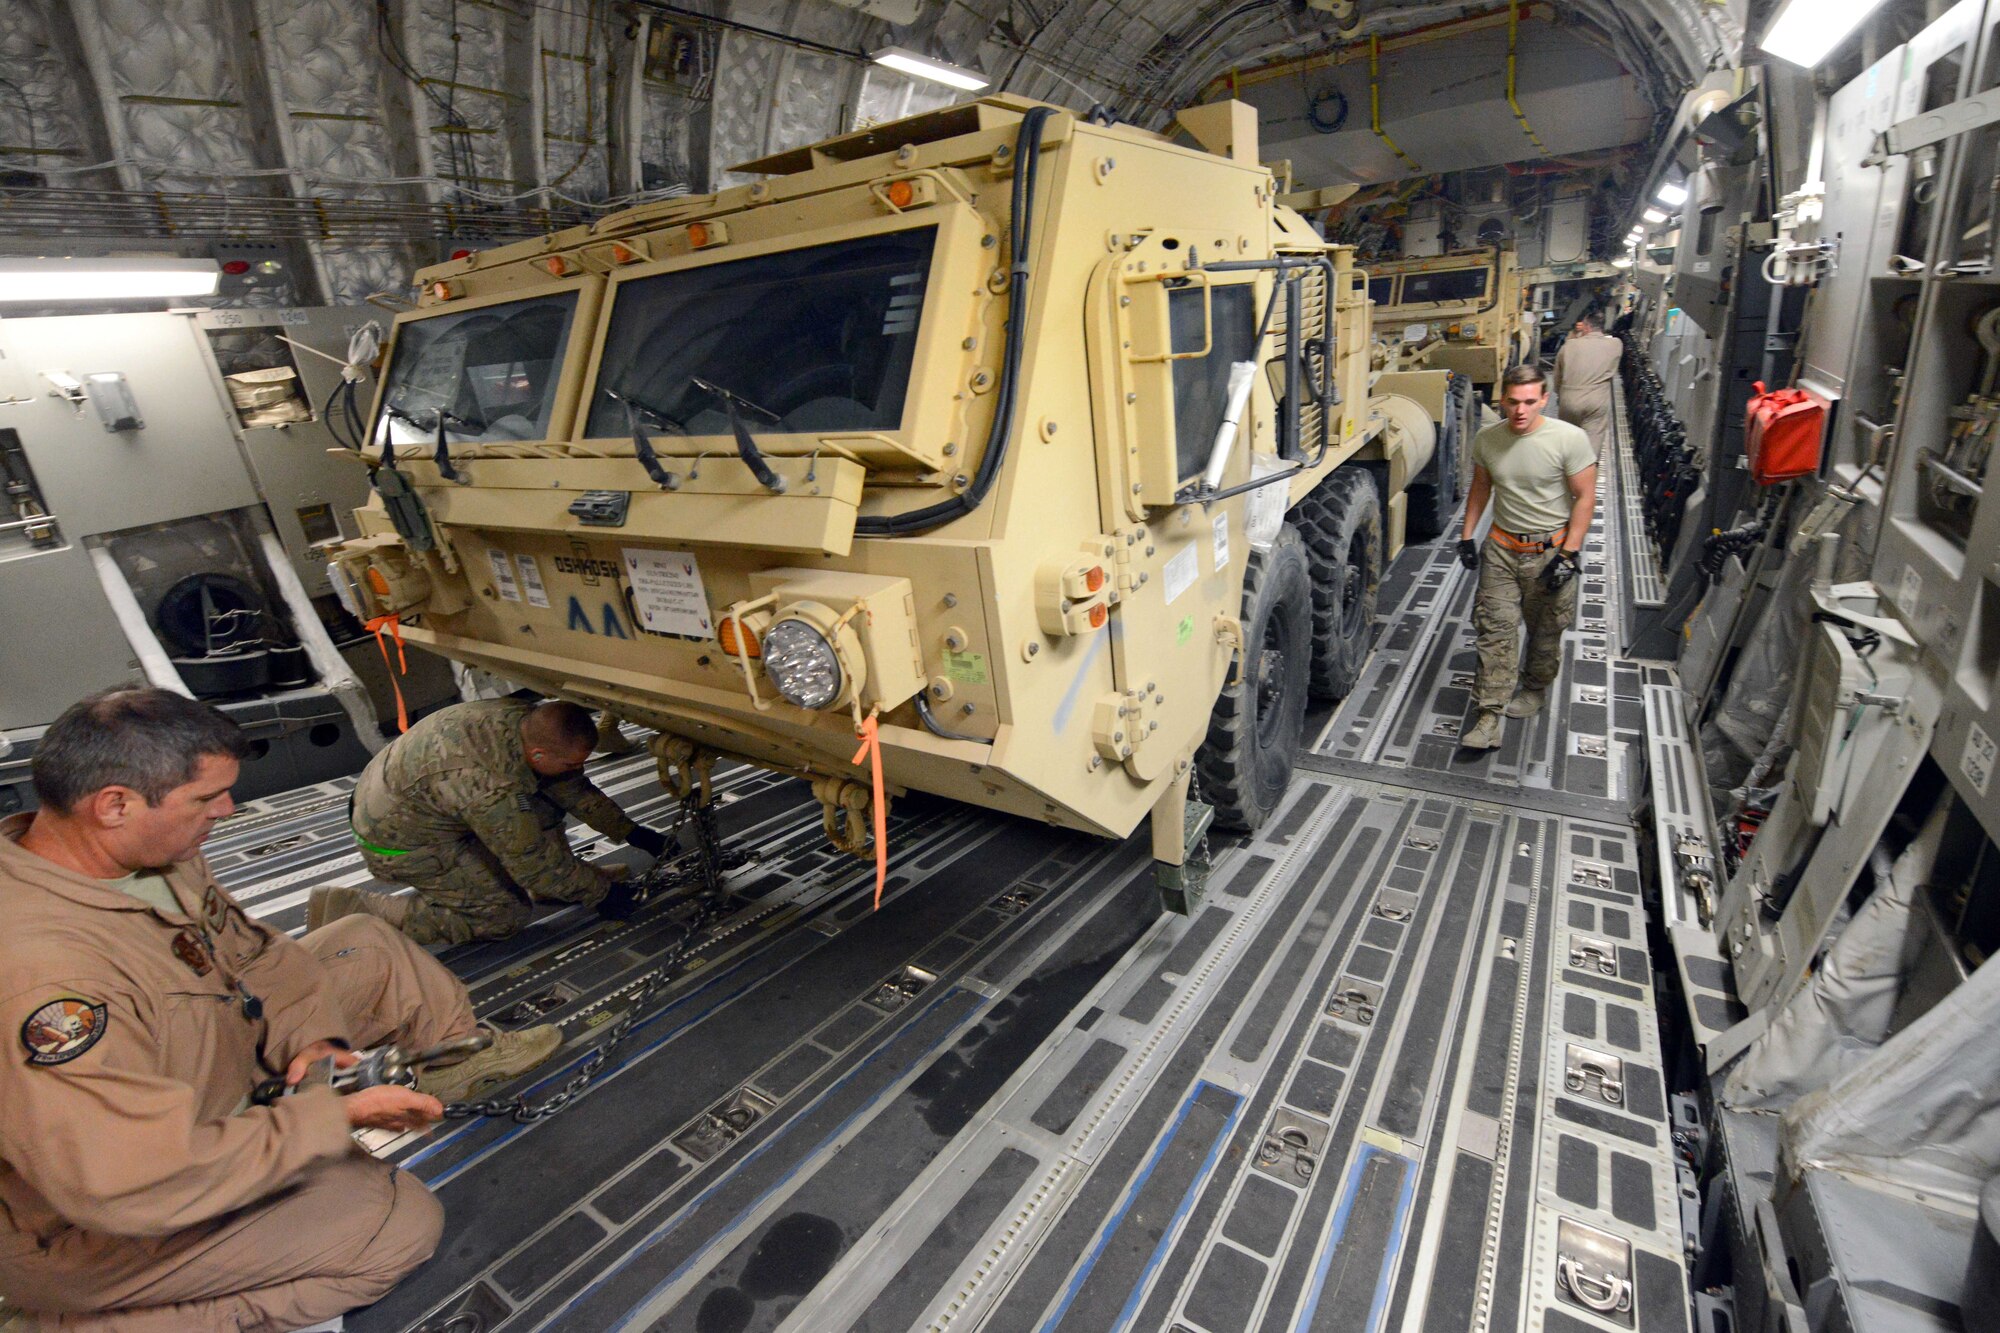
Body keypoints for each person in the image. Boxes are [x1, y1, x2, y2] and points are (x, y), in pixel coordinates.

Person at [0, 688, 561, 1331]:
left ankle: (454, 1065)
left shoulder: (149, 852)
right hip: (88, 1217)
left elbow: (256, 956)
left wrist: (313, 1041)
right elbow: (128, 1179)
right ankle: (79, 1322)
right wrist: (333, 1117)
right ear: (114, 804)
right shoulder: (47, 980)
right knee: (397, 1226)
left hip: (200, 1058)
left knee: (367, 945)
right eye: (207, 799)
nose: (228, 810)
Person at [308, 698, 672, 945]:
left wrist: (630, 831)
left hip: (414, 799)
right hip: (399, 840)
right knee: (502, 916)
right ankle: (363, 908)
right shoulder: (488, 785)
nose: (577, 770)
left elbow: (570, 787)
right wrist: (600, 893)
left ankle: (556, 888)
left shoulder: (525, 722)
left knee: (543, 795)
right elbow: (531, 862)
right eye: (571, 763)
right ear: (539, 753)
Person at [1456, 364, 1599, 750]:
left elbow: (1585, 497)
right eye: (1513, 402)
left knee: (1545, 629)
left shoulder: (1569, 439)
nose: (1520, 411)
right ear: (1502, 400)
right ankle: (1489, 715)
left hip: (1550, 550)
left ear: (1544, 400)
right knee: (1495, 631)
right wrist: (1468, 535)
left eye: (1530, 402)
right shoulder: (1488, 439)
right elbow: (1481, 487)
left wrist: (1569, 553)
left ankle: (1534, 688)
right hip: (1501, 549)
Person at [1550, 310, 1623, 459]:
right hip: (1596, 402)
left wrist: (1560, 395)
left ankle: (1567, 475)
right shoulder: (1616, 345)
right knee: (1591, 448)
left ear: (1586, 326)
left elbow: (1557, 377)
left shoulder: (1568, 346)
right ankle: (1587, 475)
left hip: (1569, 399)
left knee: (1568, 443)